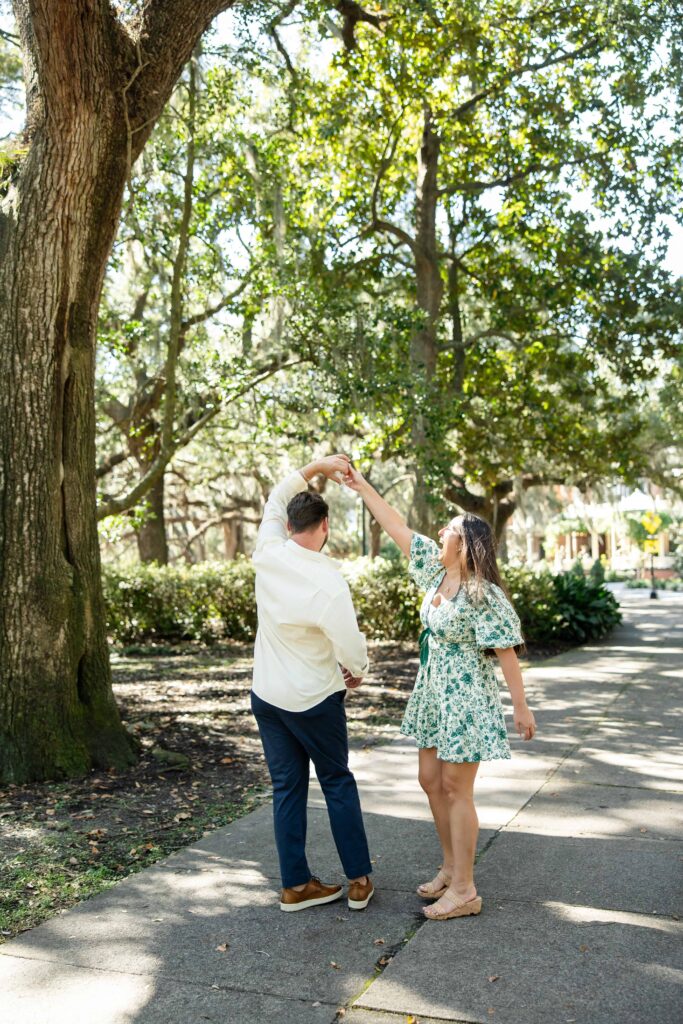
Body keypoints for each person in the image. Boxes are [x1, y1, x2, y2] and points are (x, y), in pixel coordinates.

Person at [343, 465, 536, 921]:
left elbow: (507, 655)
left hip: (467, 700)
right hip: (434, 693)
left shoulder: (481, 593)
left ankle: (466, 889)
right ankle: (451, 868)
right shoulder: (435, 573)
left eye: (448, 530)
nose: (439, 532)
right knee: (430, 780)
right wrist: (362, 485)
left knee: (456, 788)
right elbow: (396, 526)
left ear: (465, 545)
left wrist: (521, 709)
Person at [251, 454, 374, 913]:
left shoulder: (268, 550)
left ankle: (295, 886)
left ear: (288, 524)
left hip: (267, 696)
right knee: (337, 781)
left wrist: (317, 466)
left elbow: (276, 496)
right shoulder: (328, 582)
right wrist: (357, 669)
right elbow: (348, 642)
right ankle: (358, 881)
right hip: (314, 699)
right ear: (324, 526)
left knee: (287, 789)